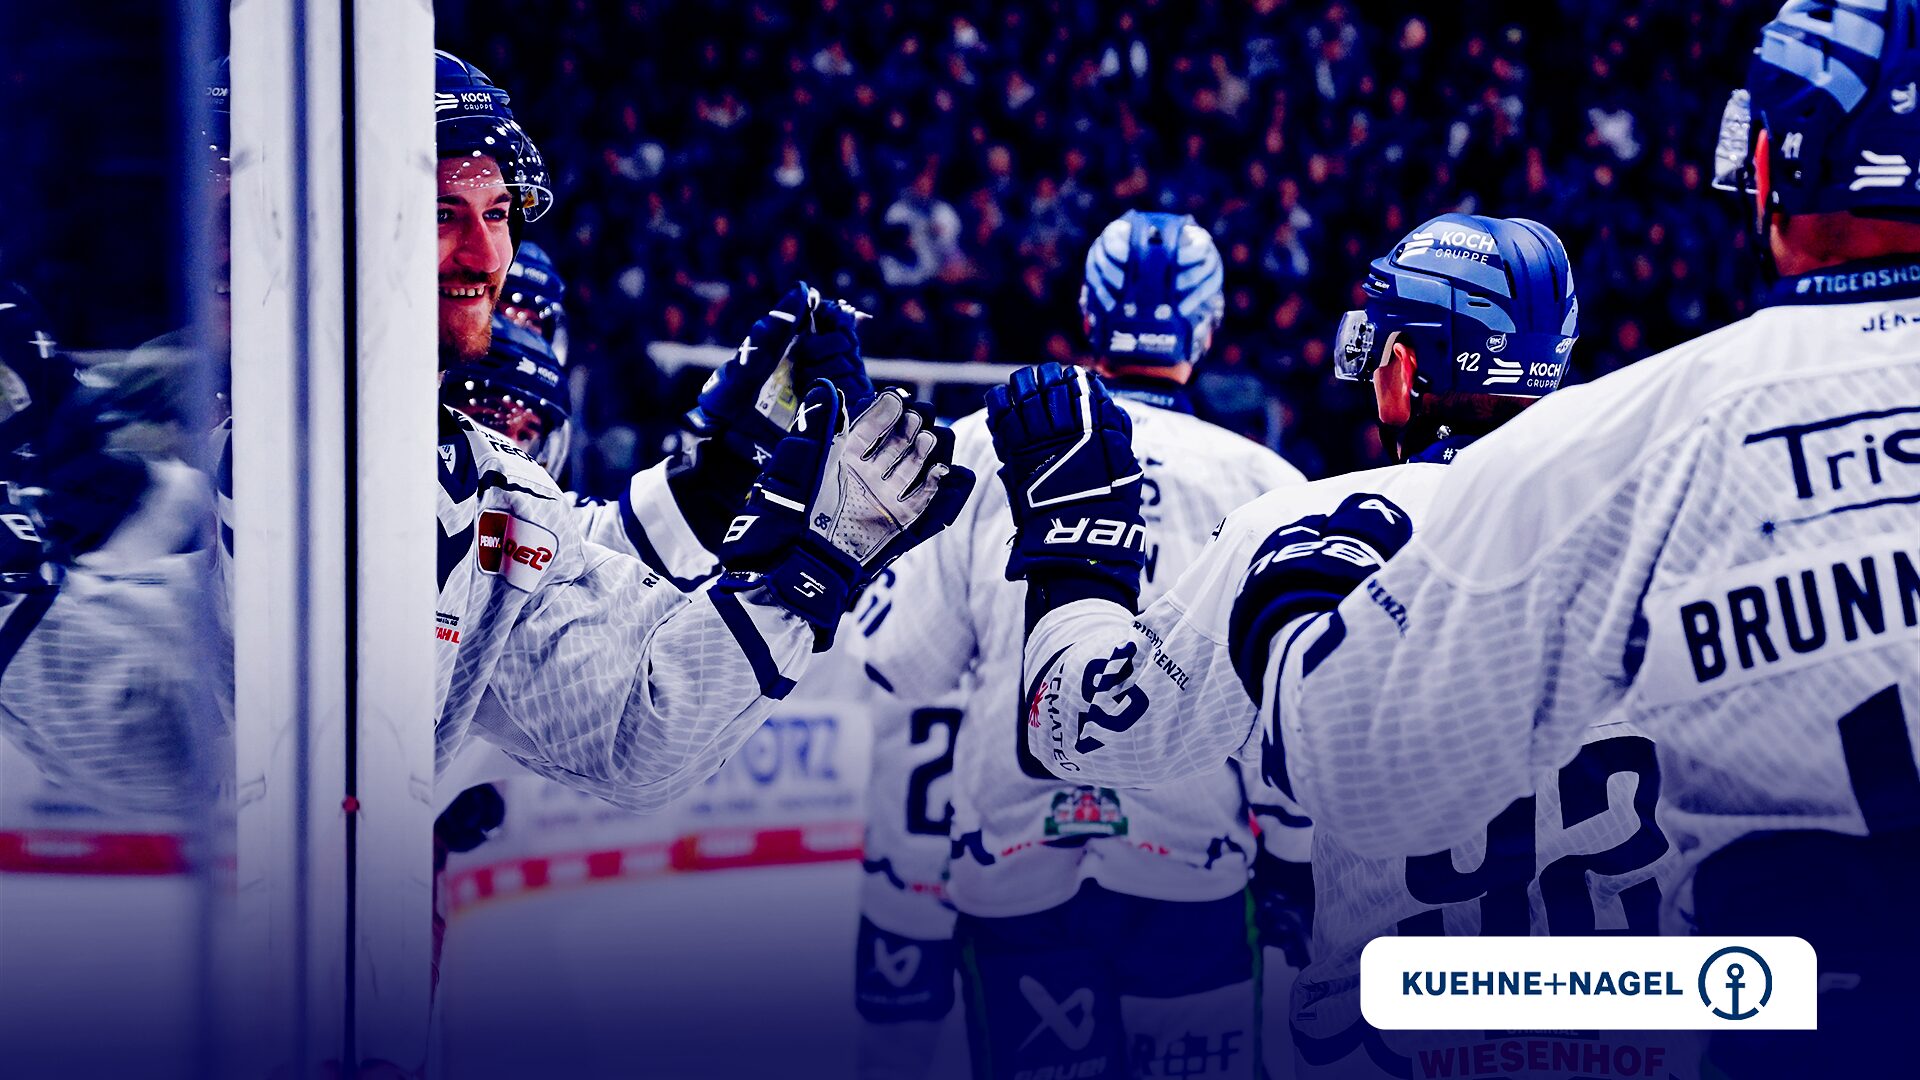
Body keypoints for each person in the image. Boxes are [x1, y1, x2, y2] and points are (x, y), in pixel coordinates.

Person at [1214, 4, 1920, 1075]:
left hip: (1798, 1008)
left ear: (1770, 165)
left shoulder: (1629, 439)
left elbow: (1361, 769)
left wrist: (1290, 617)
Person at [857, 211, 1304, 1080]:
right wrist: (1294, 862)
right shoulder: (1264, 482)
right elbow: (1281, 717)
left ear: (1091, 316)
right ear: (1208, 326)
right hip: (1190, 860)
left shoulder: (978, 449)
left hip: (1013, 861)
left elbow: (908, 664)